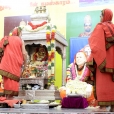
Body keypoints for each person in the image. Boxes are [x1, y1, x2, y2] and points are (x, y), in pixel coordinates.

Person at [86, 8, 114, 112]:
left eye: (101, 15)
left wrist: (98, 60)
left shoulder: (100, 27)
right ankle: (112, 107)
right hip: (113, 62)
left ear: (104, 16)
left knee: (103, 83)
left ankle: (102, 107)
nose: (100, 18)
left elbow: (95, 45)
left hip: (103, 63)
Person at [0, 27, 27, 99]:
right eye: (21, 33)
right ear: (19, 33)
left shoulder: (6, 38)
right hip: (14, 66)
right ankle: (9, 102)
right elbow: (24, 53)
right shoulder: (20, 40)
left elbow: (1, 51)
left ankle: (6, 101)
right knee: (12, 87)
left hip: (5, 65)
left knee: (6, 85)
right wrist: (26, 63)